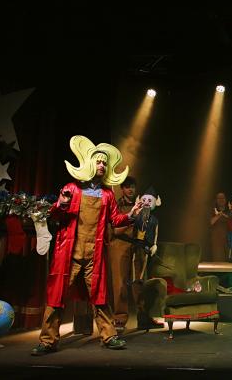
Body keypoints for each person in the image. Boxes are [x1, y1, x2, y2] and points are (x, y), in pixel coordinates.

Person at [31, 136, 142, 356]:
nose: (101, 165)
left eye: (104, 162)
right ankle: (48, 340)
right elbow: (55, 215)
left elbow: (114, 220)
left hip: (94, 253)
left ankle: (109, 336)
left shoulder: (107, 194)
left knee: (100, 296)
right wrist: (60, 204)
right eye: (98, 161)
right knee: (57, 296)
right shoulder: (72, 188)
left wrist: (130, 215)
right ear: (89, 163)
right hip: (69, 252)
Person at [131, 186, 164, 330]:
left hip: (148, 252)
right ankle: (141, 316)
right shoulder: (138, 216)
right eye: (143, 200)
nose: (146, 202)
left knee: (147, 283)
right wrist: (134, 212)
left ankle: (145, 316)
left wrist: (155, 245)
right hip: (138, 250)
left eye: (149, 200)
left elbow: (155, 233)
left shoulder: (154, 219)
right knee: (138, 281)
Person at [107, 175, 137, 332]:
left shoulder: (141, 204)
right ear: (122, 189)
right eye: (127, 186)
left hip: (137, 246)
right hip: (120, 244)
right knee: (120, 284)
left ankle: (145, 318)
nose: (130, 189)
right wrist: (131, 218)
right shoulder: (117, 205)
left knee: (140, 282)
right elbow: (116, 230)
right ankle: (119, 319)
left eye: (132, 186)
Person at [210, 192, 229, 262]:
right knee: (218, 260)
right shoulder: (213, 211)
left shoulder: (229, 211)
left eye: (223, 198)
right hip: (217, 240)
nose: (221, 200)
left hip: (228, 239)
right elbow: (211, 222)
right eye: (219, 198)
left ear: (225, 199)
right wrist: (219, 215)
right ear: (216, 200)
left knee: (229, 260)